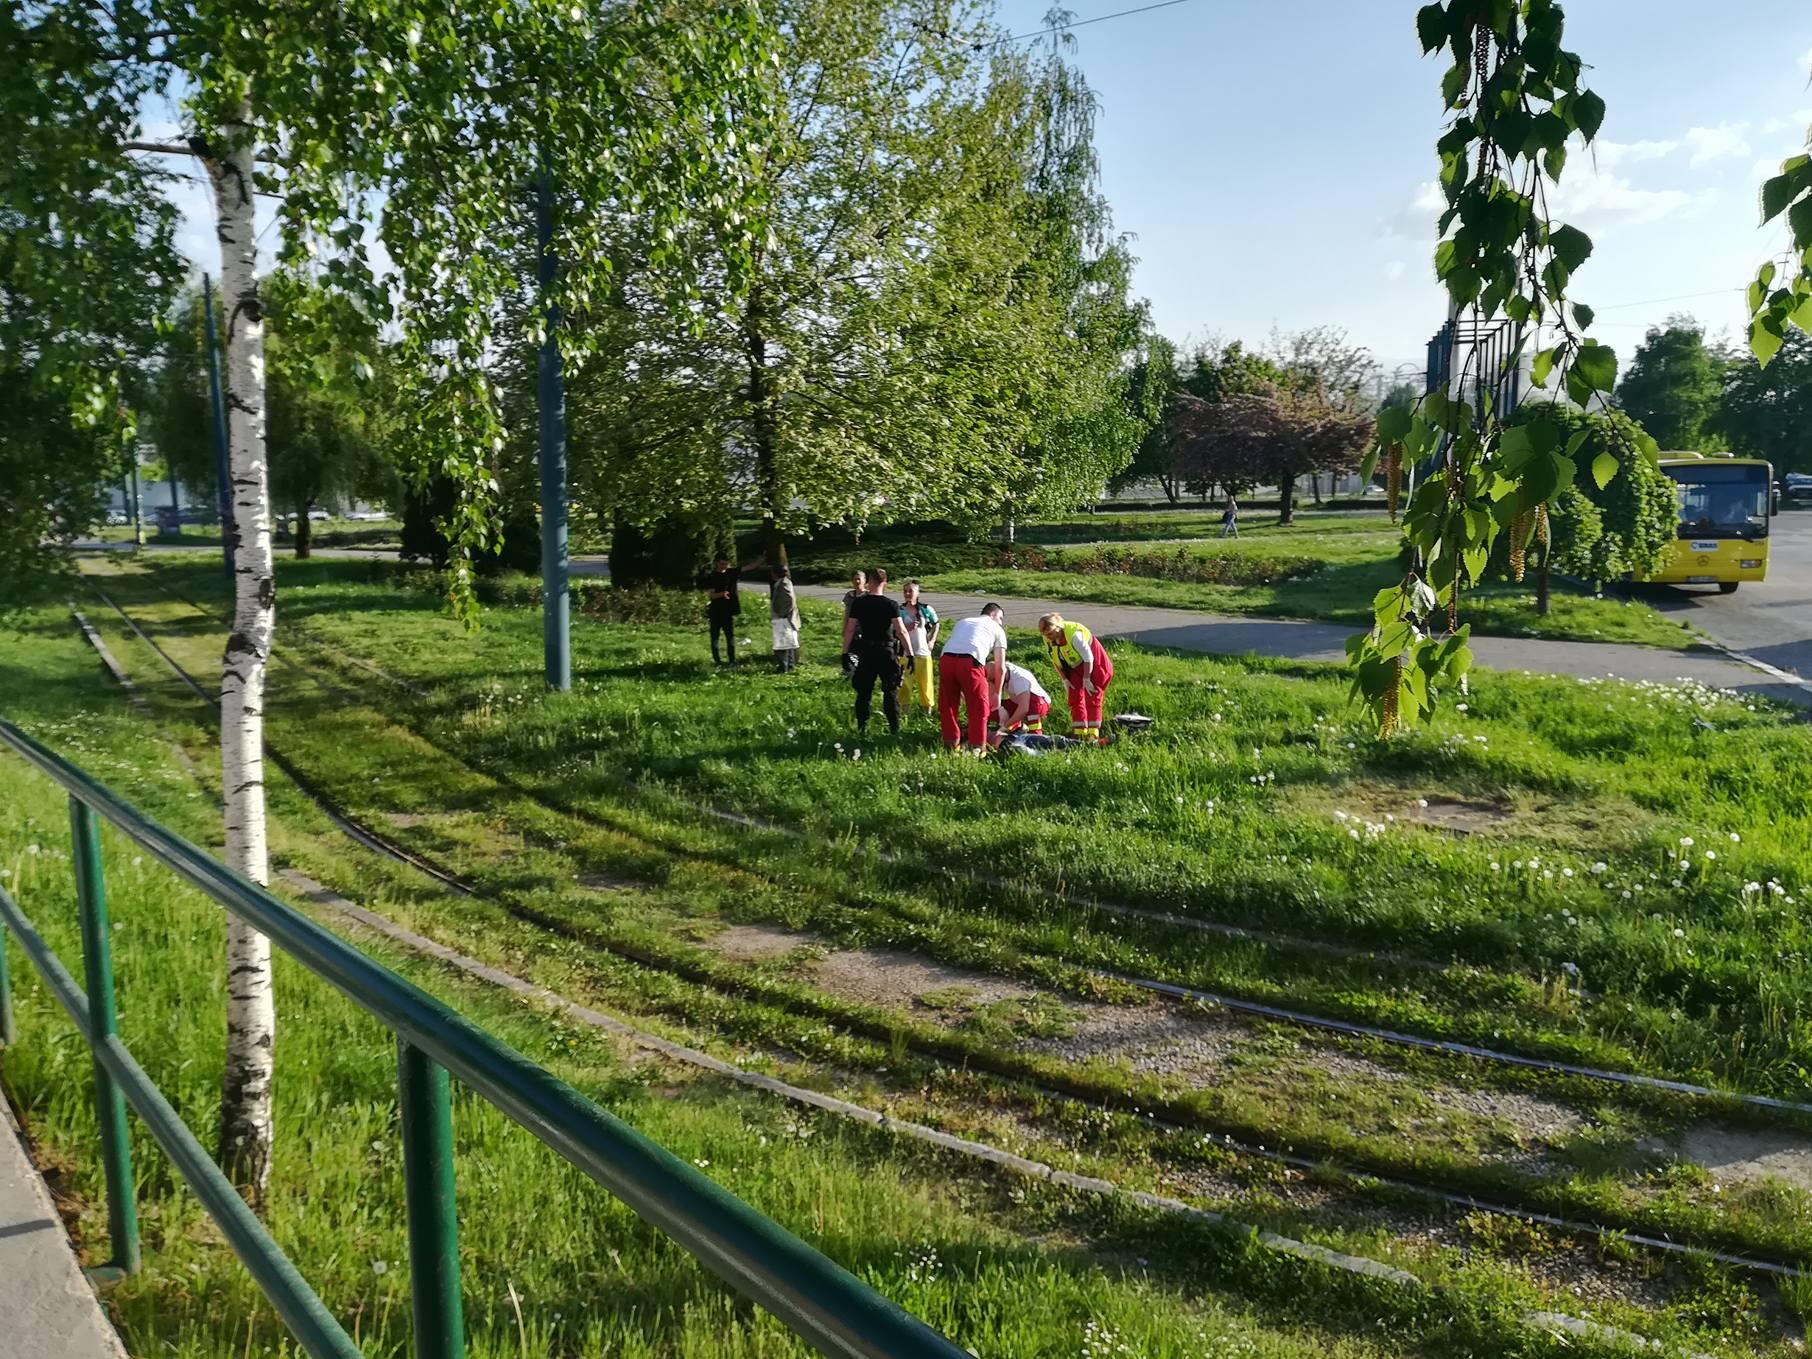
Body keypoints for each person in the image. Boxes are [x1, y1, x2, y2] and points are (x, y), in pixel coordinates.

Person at [842, 569, 911, 735]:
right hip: (886, 650)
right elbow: (901, 631)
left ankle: (862, 727)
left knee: (864, 691)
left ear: (869, 582)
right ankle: (895, 728)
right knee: (890, 690)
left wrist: (845, 652)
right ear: (885, 583)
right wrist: (910, 653)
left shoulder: (859, 603)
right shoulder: (891, 604)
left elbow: (850, 630)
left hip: (866, 650)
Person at [938, 603, 1008, 753]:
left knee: (948, 705)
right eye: (1001, 618)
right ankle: (977, 747)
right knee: (979, 707)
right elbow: (1000, 667)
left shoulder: (963, 622)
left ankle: (950, 743)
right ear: (994, 614)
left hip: (946, 660)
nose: (1001, 622)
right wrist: (997, 692)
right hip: (970, 662)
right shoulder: (997, 629)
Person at [1038, 611, 1113, 744]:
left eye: (1050, 633)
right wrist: (1065, 679)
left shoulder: (1074, 635)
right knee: (1074, 696)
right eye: (1044, 634)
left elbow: (1088, 657)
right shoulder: (1048, 637)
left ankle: (1093, 734)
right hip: (1074, 666)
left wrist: (1086, 679)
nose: (1048, 637)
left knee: (1092, 695)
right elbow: (1054, 658)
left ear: (1058, 627)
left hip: (1095, 665)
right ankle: (1079, 733)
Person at [897, 580, 940, 715]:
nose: (907, 594)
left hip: (923, 652)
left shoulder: (926, 609)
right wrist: (906, 628)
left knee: (926, 684)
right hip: (905, 653)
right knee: (905, 685)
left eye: (910, 591)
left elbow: (936, 623)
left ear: (917, 593)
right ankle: (905, 713)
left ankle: (927, 712)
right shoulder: (899, 610)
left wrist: (932, 640)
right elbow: (895, 630)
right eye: (905, 591)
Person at [990, 660, 1051, 746]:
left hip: (1039, 703)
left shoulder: (1019, 679)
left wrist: (1004, 727)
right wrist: (999, 708)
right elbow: (991, 698)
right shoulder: (1001, 671)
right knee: (992, 709)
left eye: (994, 681)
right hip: (1018, 701)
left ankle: (1036, 735)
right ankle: (1018, 727)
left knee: (1032, 704)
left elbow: (1024, 708)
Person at [700, 554, 741, 666]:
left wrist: (761, 560)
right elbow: (712, 596)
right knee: (715, 636)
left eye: (726, 564)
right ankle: (717, 660)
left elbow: (747, 568)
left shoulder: (731, 573)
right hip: (716, 611)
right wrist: (722, 594)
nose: (724, 566)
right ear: (717, 563)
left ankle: (732, 660)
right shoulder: (712, 576)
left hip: (728, 612)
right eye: (722, 564)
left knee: (730, 636)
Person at [769, 565, 801, 673]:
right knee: (788, 642)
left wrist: (782, 613)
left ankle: (784, 667)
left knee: (782, 644)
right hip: (784, 617)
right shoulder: (783, 582)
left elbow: (789, 600)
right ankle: (789, 665)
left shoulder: (784, 583)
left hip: (784, 618)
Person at [840, 570, 866, 677]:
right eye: (855, 579)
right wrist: (844, 627)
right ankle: (850, 671)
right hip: (852, 627)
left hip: (864, 628)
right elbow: (847, 613)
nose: (857, 581)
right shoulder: (849, 596)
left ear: (865, 580)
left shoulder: (868, 595)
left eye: (859, 578)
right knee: (850, 650)